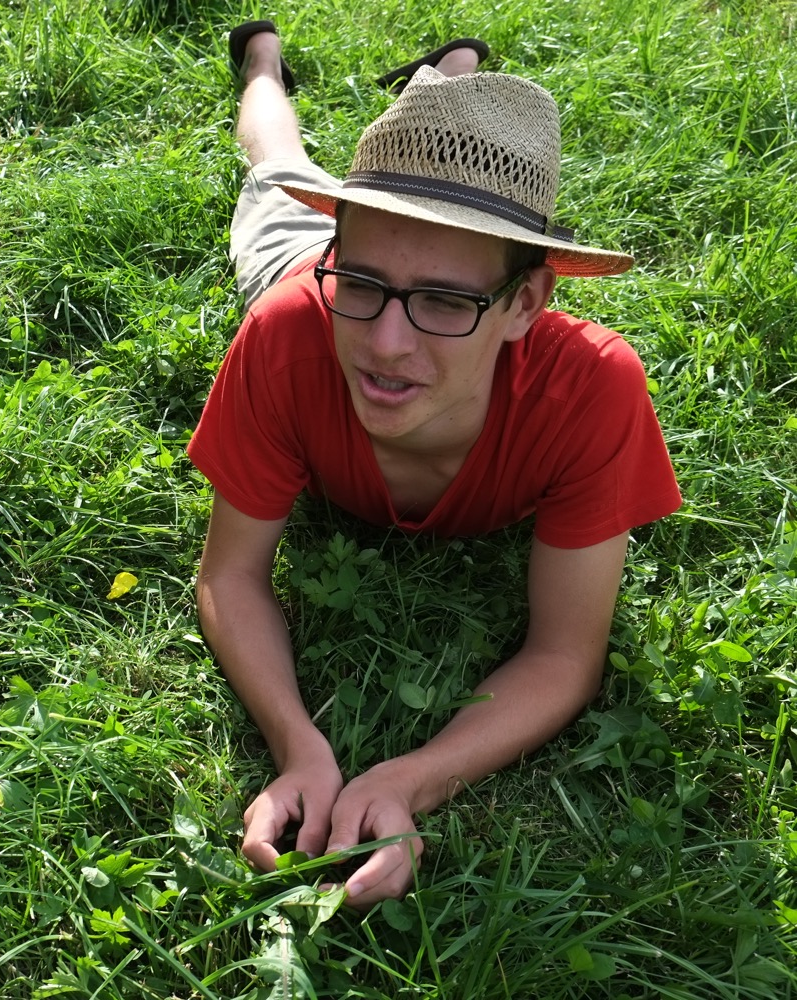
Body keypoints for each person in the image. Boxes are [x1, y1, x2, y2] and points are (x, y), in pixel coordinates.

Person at [189, 24, 681, 907]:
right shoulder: (292, 332)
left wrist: (414, 777)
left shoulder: (592, 389)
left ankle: (449, 78)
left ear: (526, 302)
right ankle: (264, 60)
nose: (385, 344)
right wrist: (298, 744)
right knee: (275, 166)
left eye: (447, 302)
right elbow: (229, 574)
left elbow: (565, 654)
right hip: (292, 263)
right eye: (364, 283)